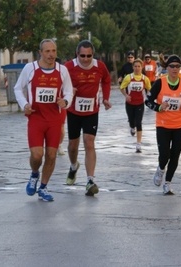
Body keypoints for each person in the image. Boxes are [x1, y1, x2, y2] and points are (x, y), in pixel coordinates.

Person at [14, 39, 74, 201]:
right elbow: (18, 88)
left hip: (54, 119)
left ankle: (43, 187)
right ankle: (34, 174)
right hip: (36, 118)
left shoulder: (62, 70)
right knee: (36, 155)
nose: (51, 54)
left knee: (52, 155)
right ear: (40, 53)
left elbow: (69, 91)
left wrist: (65, 101)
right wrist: (24, 104)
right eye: (47, 51)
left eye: (53, 51)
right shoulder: (30, 68)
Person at [64, 40, 112, 196]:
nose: (85, 59)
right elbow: (59, 83)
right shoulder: (68, 67)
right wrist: (69, 89)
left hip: (91, 110)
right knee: (73, 146)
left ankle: (90, 180)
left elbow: (106, 79)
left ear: (93, 54)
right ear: (77, 54)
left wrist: (105, 98)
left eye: (89, 56)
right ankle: (73, 167)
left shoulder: (100, 66)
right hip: (73, 110)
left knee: (89, 142)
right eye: (82, 55)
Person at [145, 55, 181, 195]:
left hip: (180, 125)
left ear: (180, 68)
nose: (174, 69)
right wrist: (160, 107)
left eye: (177, 66)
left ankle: (167, 183)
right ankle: (161, 169)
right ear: (166, 68)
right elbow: (148, 101)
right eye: (171, 66)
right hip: (163, 125)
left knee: (175, 155)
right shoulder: (160, 82)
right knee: (164, 154)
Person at [120, 58, 152, 152]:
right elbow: (122, 87)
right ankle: (131, 127)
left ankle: (138, 144)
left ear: (142, 67)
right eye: (135, 66)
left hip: (140, 104)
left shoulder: (144, 79)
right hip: (130, 103)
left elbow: (149, 89)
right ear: (133, 67)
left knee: (139, 122)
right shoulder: (129, 77)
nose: (137, 68)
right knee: (131, 121)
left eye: (139, 66)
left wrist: (148, 96)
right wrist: (126, 95)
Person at [55, 57, 67, 156]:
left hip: (61, 105)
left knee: (61, 127)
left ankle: (60, 144)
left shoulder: (64, 74)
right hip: (47, 106)